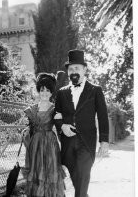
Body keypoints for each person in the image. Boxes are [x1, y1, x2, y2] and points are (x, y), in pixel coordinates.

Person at [54, 49, 109, 197]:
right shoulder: (61, 92)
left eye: (77, 68)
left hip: (87, 142)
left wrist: (104, 141)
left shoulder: (96, 90)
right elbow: (57, 114)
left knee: (83, 177)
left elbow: (103, 116)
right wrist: (62, 126)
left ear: (84, 69)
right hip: (68, 143)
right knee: (77, 179)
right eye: (71, 69)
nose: (73, 71)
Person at [23, 73, 66, 197]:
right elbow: (29, 127)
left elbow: (60, 129)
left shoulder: (55, 109)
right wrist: (25, 132)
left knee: (49, 171)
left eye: (48, 90)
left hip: (50, 145)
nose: (45, 93)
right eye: (42, 90)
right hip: (35, 146)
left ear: (52, 92)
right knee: (36, 171)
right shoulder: (33, 109)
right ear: (38, 91)